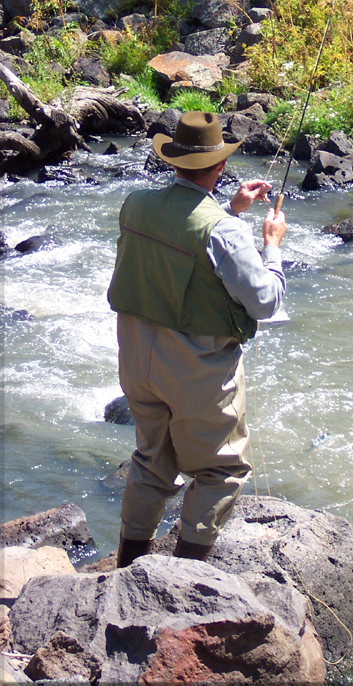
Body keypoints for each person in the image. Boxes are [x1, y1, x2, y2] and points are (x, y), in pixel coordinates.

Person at [107, 111, 286, 567]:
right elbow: (265, 302)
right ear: (220, 166)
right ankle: (185, 580)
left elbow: (184, 236)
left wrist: (230, 210)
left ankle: (129, 568)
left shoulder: (136, 204)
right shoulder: (225, 232)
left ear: (174, 161)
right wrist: (272, 244)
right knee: (220, 471)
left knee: (151, 460)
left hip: (136, 359)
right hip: (195, 367)